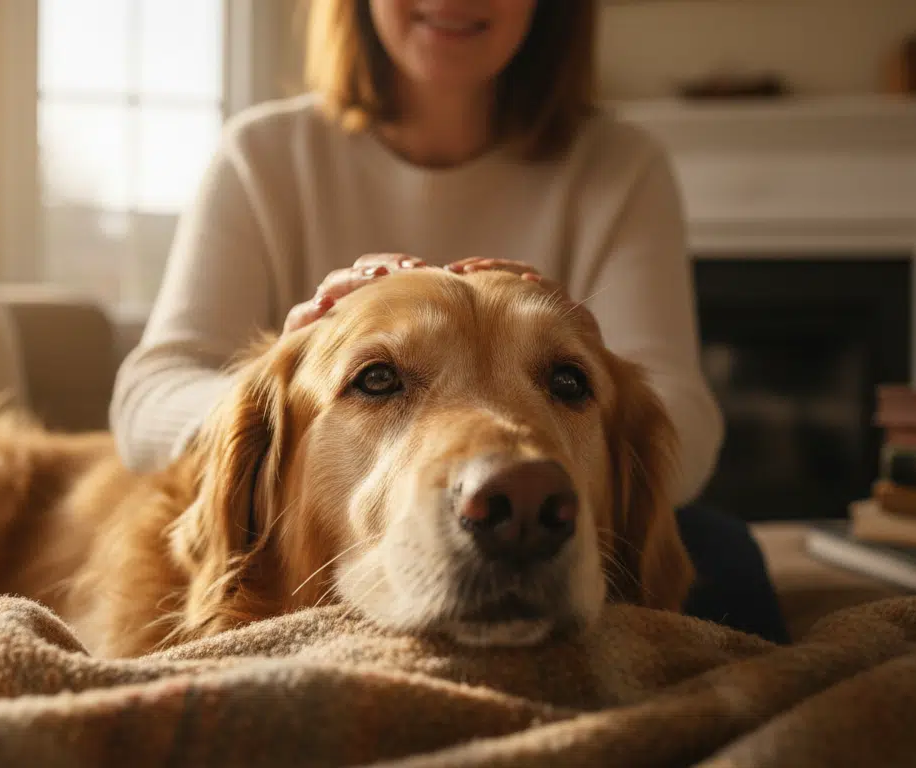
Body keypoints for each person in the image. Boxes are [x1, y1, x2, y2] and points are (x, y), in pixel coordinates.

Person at [110, 0, 789, 644]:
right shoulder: (262, 154)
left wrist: (591, 357)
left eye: (564, 384)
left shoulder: (622, 165)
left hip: (577, 520)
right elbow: (150, 393)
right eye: (379, 380)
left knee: (726, 559)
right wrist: (283, 387)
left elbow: (683, 418)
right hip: (295, 523)